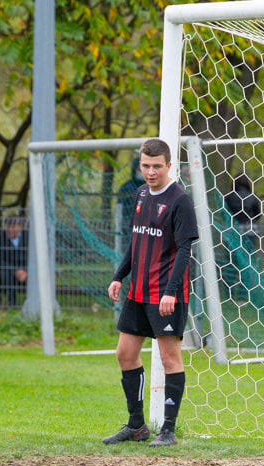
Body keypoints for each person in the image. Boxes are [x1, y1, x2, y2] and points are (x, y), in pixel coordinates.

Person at [104, 138, 199, 447]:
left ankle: (168, 430)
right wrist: (120, 276)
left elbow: (184, 250)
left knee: (169, 358)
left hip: (166, 295)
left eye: (157, 166)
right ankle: (136, 425)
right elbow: (137, 239)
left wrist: (171, 292)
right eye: (145, 165)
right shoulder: (142, 193)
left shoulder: (180, 199)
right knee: (125, 353)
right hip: (138, 292)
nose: (150, 172)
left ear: (169, 166)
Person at [0, 214, 28, 306]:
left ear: (20, 227)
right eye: (8, 226)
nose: (10, 229)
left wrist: (24, 270)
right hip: (8, 272)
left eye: (13, 226)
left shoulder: (29, 238)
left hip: (26, 272)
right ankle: (12, 304)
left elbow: (32, 258)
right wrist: (15, 270)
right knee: (4, 275)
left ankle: (30, 302)